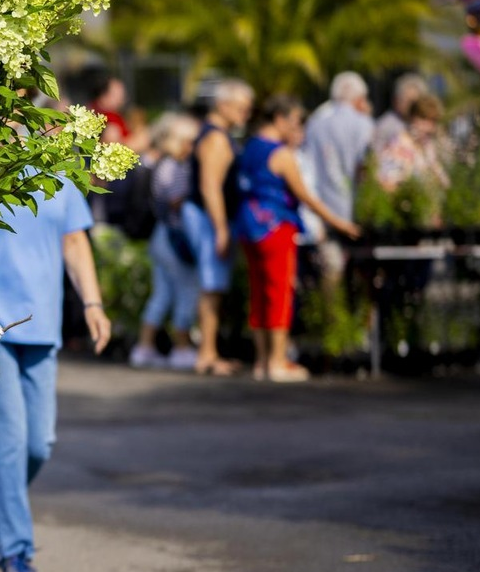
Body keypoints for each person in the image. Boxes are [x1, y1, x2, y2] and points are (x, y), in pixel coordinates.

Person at [0, 172, 111, 572]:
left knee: (38, 443)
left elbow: (75, 242)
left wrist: (93, 304)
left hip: (43, 324)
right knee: (9, 440)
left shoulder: (60, 176)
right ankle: (16, 553)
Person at [235, 94, 362, 382]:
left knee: (258, 293)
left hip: (248, 225)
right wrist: (339, 223)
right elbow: (305, 196)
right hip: (276, 226)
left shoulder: (250, 146)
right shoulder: (280, 153)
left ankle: (262, 361)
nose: (296, 129)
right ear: (279, 119)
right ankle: (277, 362)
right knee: (279, 293)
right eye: (293, 122)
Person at [182, 78, 254, 376]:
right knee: (211, 286)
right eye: (241, 108)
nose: (245, 114)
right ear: (223, 105)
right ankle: (207, 354)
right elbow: (210, 186)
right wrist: (221, 228)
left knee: (213, 286)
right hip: (208, 218)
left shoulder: (216, 135)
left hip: (208, 216)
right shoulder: (216, 138)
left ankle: (209, 352)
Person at [130, 112, 202, 370]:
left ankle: (145, 346)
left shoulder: (163, 164)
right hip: (173, 237)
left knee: (162, 294)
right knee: (186, 291)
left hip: (161, 237)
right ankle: (182, 347)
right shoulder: (174, 166)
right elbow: (172, 199)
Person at [301, 72, 374, 278]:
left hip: (321, 209)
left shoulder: (315, 122)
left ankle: (329, 309)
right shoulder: (363, 123)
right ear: (359, 99)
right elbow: (367, 168)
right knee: (357, 272)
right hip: (354, 211)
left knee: (328, 270)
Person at [376, 93, 450, 195]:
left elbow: (442, 181)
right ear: (412, 118)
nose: (429, 128)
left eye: (433, 122)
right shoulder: (398, 146)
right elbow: (386, 184)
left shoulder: (427, 145)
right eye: (424, 120)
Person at [372, 73, 429, 153]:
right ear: (396, 100)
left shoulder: (419, 123)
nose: (412, 107)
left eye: (415, 103)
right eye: (409, 101)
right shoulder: (386, 126)